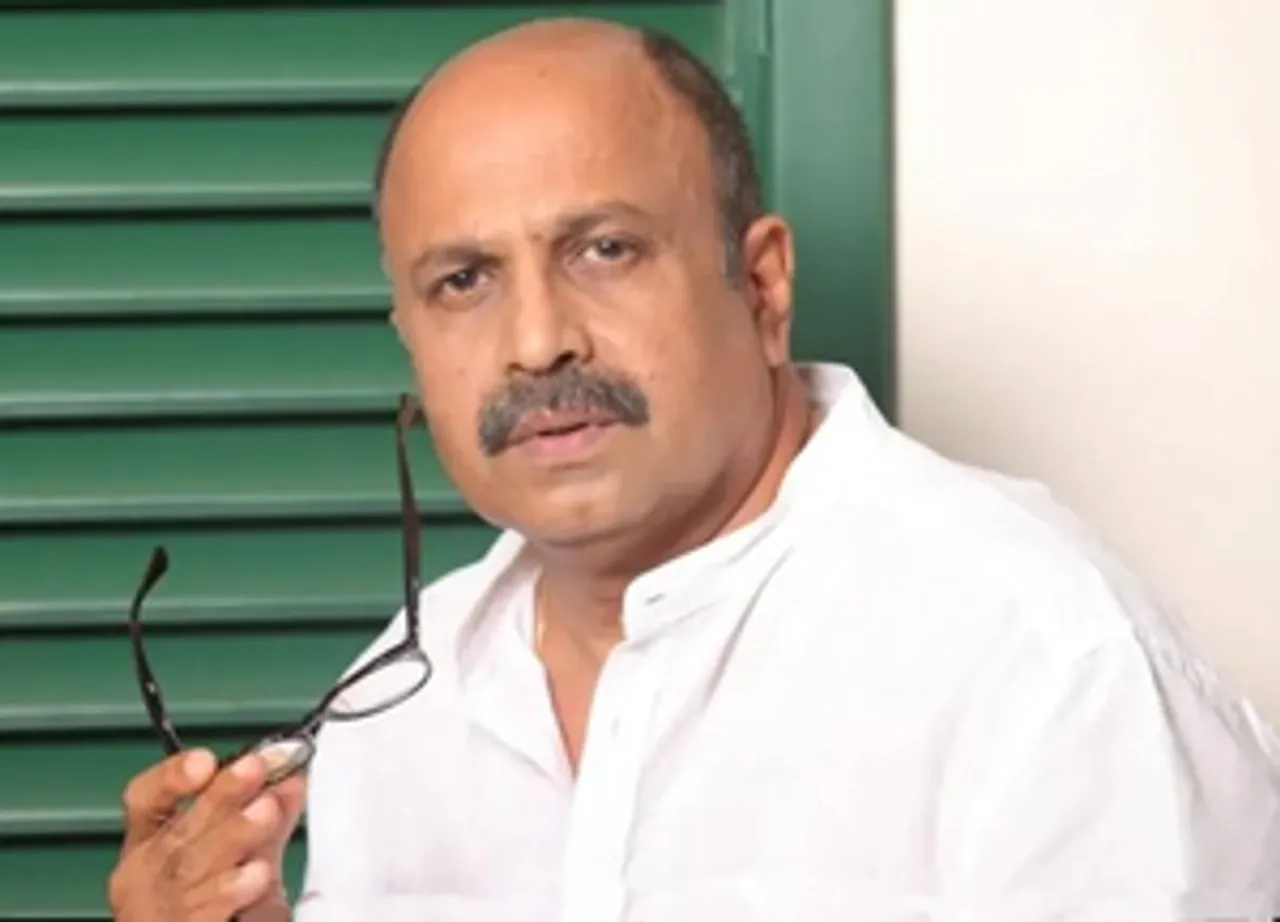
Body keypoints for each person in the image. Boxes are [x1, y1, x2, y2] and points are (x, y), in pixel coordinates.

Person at [106, 17, 1280, 922]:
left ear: (760, 286)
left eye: (603, 249)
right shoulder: (392, 714)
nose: (536, 342)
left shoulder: (1049, 669)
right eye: (463, 280)